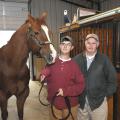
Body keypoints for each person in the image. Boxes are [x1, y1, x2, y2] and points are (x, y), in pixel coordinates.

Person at [73, 33, 117, 120]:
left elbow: (113, 80)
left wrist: (105, 95)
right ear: (85, 44)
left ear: (98, 44)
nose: (91, 45)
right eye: (88, 42)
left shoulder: (104, 60)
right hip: (82, 103)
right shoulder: (77, 59)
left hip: (99, 103)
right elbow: (69, 77)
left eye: (93, 43)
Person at [40, 36, 85, 120]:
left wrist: (66, 91)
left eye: (68, 44)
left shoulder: (75, 66)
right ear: (60, 46)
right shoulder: (52, 61)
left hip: (70, 104)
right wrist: (43, 75)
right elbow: (46, 71)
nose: (65, 46)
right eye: (63, 44)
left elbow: (81, 86)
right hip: (54, 103)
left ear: (72, 48)